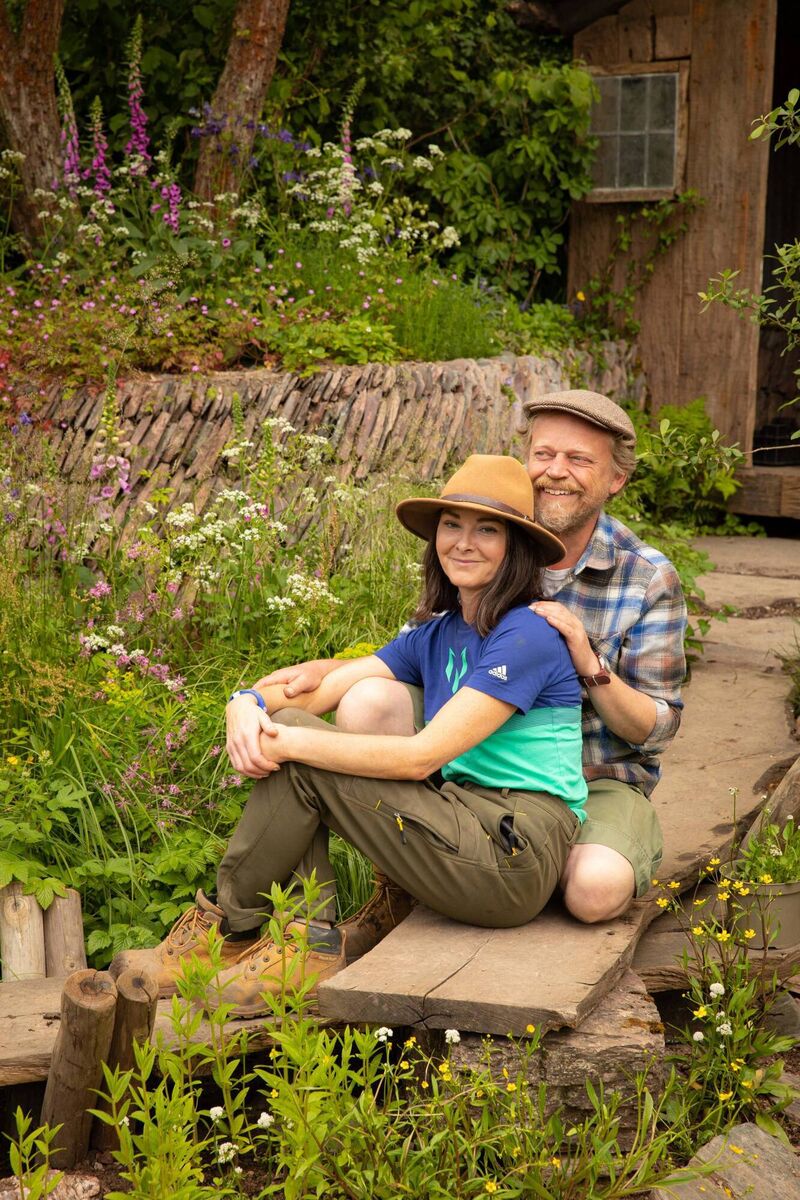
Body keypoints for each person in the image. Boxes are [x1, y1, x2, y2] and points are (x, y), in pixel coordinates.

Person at [111, 454, 588, 1016]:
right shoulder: (438, 634)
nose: (464, 541)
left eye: (487, 530)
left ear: (518, 548)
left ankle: (241, 935)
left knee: (297, 748)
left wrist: (285, 739)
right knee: (292, 734)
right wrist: (247, 702)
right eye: (451, 525)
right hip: (460, 825)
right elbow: (329, 687)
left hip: (514, 854)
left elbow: (422, 757)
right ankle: (278, 942)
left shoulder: (529, 631)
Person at [239, 390, 687, 928]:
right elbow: (399, 657)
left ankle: (255, 922)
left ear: (615, 479)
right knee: (359, 701)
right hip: (476, 772)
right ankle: (331, 919)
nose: (555, 472)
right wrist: (249, 702)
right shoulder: (469, 586)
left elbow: (656, 728)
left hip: (586, 782)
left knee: (592, 890)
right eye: (544, 455)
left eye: (579, 459)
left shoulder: (639, 577)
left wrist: (588, 664)